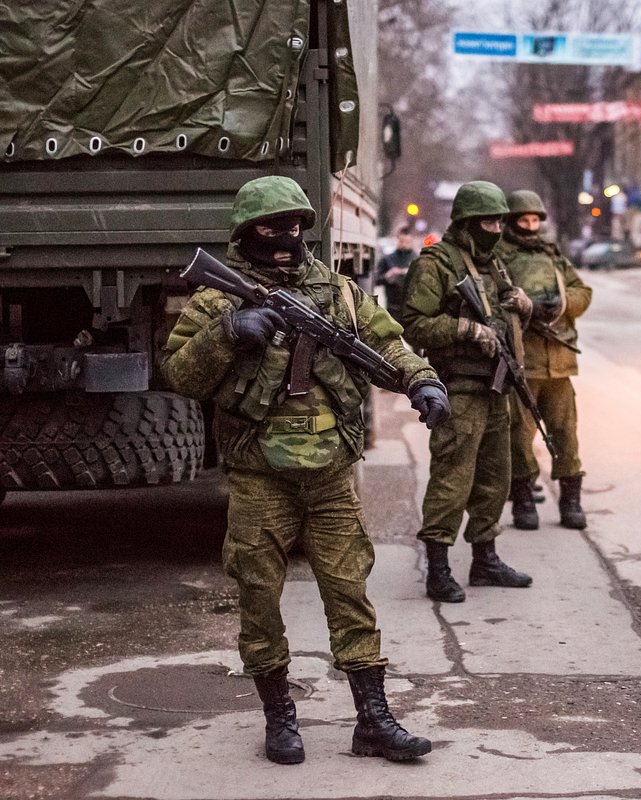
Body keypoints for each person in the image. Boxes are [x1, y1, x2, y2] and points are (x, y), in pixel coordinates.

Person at [161, 176, 449, 765]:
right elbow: (180, 375)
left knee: (350, 593)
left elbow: (387, 344)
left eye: (296, 225)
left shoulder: (338, 293)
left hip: (329, 475)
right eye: (273, 227)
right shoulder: (220, 298)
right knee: (260, 596)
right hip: (258, 473)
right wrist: (227, 334)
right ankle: (279, 718)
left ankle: (372, 719)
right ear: (247, 233)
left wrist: (423, 381)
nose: (287, 237)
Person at [399, 181, 534, 603]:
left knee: (495, 478)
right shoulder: (436, 264)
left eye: (499, 221)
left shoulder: (494, 265)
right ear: (466, 223)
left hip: (497, 387)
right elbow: (414, 324)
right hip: (459, 389)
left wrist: (521, 306)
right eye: (487, 222)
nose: (495, 228)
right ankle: (438, 568)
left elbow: (504, 320)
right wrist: (465, 328)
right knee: (453, 478)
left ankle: (485, 559)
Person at [495, 189, 593, 530]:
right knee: (519, 436)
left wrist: (560, 306)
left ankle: (571, 500)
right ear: (511, 222)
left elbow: (583, 292)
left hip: (560, 361)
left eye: (535, 219)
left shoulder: (552, 255)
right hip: (524, 362)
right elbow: (493, 301)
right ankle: (523, 500)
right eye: (524, 220)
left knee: (566, 433)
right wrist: (524, 310)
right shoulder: (498, 257)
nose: (531, 225)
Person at [375, 225, 417, 317]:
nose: (404, 244)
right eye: (401, 241)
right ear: (397, 240)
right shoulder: (387, 259)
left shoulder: (418, 260)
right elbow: (376, 280)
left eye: (407, 242)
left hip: (412, 308)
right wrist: (388, 276)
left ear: (412, 241)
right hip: (392, 307)